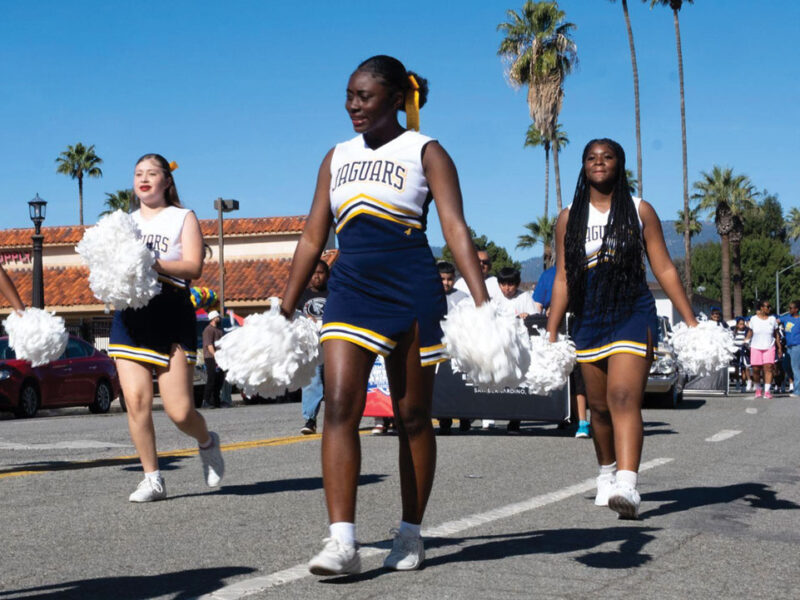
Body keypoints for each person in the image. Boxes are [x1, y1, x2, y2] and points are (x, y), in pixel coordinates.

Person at [279, 55, 489, 576]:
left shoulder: (426, 151)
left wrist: (484, 304)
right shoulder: (336, 156)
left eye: (365, 96)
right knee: (340, 406)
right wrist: (283, 304)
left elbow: (456, 229)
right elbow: (313, 235)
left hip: (412, 285)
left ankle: (411, 532)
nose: (353, 105)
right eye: (349, 95)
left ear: (397, 99)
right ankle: (342, 542)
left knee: (412, 416)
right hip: (351, 285)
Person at [546, 138, 697, 520]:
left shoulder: (639, 209)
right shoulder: (568, 217)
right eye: (591, 158)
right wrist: (550, 333)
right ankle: (607, 473)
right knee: (597, 408)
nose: (599, 163)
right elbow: (563, 277)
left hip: (632, 311)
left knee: (623, 397)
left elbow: (662, 268)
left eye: (607, 157)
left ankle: (628, 486)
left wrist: (691, 320)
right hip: (589, 316)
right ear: (583, 166)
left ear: (620, 164)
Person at [108, 154, 224, 502]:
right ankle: (152, 478)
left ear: (166, 181)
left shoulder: (182, 217)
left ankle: (207, 441)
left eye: (152, 173)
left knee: (179, 411)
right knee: (137, 401)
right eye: (138, 173)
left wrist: (150, 261)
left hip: (171, 311)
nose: (144, 179)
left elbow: (193, 267)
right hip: (130, 315)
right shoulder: (123, 222)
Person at [436, 261, 470, 435]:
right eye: (442, 279)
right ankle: (444, 420)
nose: (446, 283)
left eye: (449, 279)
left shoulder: (463, 297)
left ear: (454, 279)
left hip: (458, 347)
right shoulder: (431, 295)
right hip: (439, 346)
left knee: (460, 383)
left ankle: (465, 418)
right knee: (442, 384)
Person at [298, 260, 330, 434]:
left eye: (320, 272)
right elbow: (294, 317)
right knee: (312, 380)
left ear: (327, 275)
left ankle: (336, 419)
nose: (316, 276)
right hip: (311, 346)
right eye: (313, 272)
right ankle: (310, 419)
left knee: (334, 382)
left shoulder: (334, 293)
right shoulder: (302, 295)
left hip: (332, 343)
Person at [746, 300, 781, 399]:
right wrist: (746, 340)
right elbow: (750, 332)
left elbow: (776, 334)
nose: (769, 309)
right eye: (767, 306)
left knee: (768, 368)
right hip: (756, 347)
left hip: (769, 347)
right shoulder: (754, 319)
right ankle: (758, 388)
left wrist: (779, 347)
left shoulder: (772, 319)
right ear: (761, 308)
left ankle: (767, 391)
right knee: (756, 370)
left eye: (770, 307)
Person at [201, 310, 224, 409]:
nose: (219, 318)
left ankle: (216, 401)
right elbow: (209, 345)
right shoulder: (208, 330)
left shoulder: (219, 330)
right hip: (211, 358)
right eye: (218, 316)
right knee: (212, 379)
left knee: (219, 379)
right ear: (214, 318)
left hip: (220, 358)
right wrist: (215, 356)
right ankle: (206, 401)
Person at [779, 300, 800, 397]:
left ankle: (797, 391)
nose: (789, 309)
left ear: (796, 309)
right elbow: (776, 321)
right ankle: (797, 383)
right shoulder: (786, 318)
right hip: (788, 347)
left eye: (791, 308)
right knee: (786, 366)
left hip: (797, 346)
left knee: (796, 368)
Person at [731, 316, 752, 392]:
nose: (742, 325)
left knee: (745, 368)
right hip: (736, 351)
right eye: (740, 324)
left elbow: (748, 340)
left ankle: (744, 383)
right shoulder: (733, 331)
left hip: (744, 351)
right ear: (737, 325)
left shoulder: (747, 331)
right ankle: (737, 382)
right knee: (736, 368)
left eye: (743, 324)